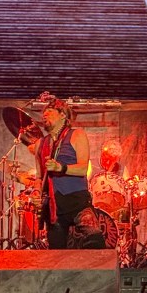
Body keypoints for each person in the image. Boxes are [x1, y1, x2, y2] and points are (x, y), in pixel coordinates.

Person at [30, 93, 96, 249]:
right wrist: (36, 192)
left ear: (63, 115)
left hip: (77, 201)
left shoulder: (77, 135)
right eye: (43, 113)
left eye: (50, 111)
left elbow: (83, 169)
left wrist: (61, 167)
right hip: (54, 206)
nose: (45, 115)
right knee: (57, 252)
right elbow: (39, 177)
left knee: (94, 240)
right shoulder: (41, 144)